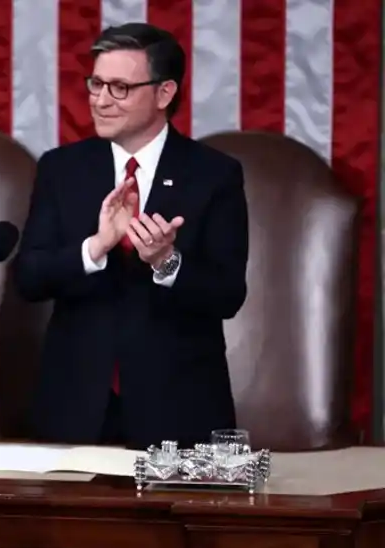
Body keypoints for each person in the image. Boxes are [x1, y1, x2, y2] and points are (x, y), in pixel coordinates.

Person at [13, 22, 249, 449]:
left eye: (119, 87)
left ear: (164, 93)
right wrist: (95, 248)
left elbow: (228, 293)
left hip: (179, 411)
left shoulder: (214, 175)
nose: (101, 100)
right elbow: (29, 278)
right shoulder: (61, 169)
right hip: (75, 408)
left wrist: (166, 262)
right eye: (96, 84)